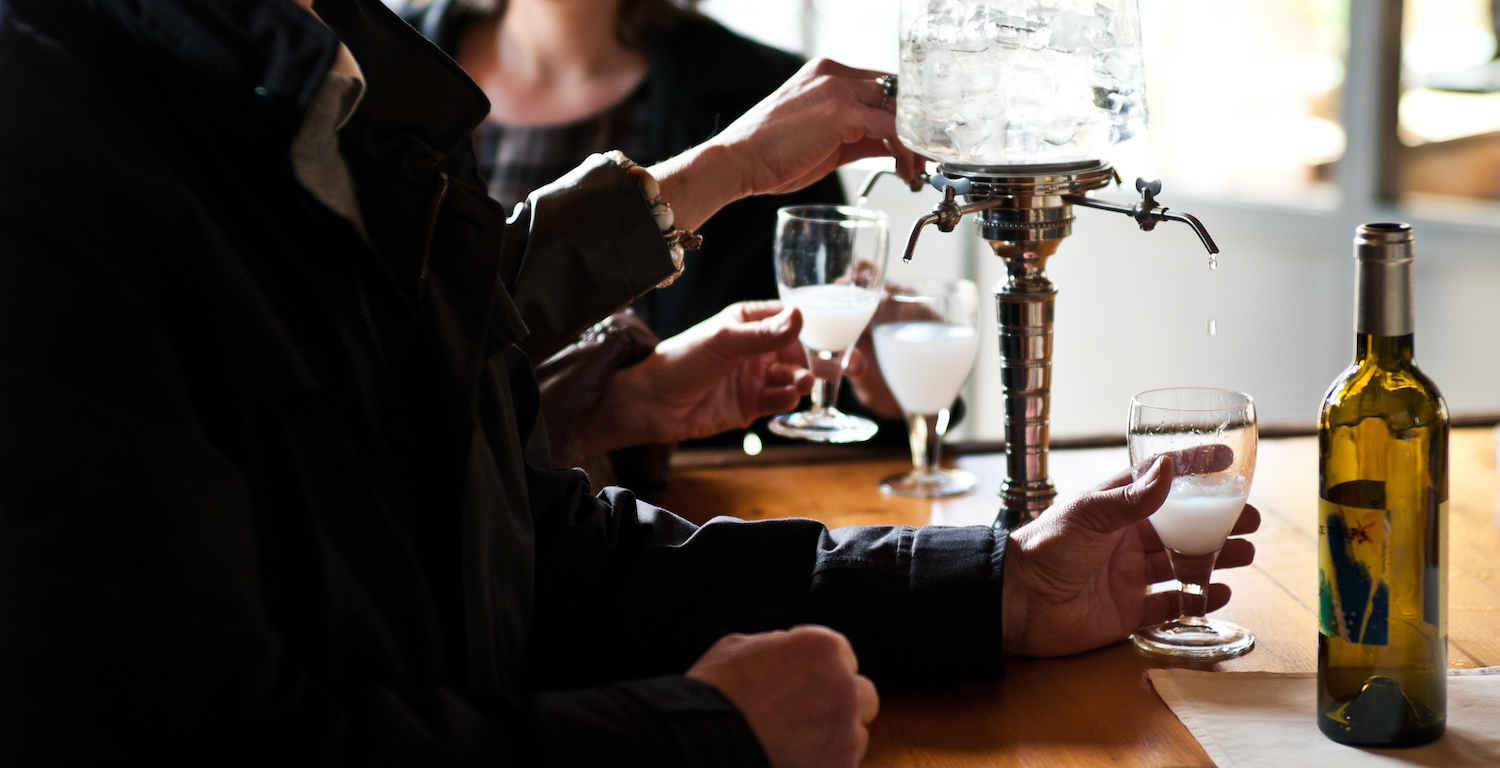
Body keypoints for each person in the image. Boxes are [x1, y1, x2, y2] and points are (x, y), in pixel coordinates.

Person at [0, 1, 1259, 766]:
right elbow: (178, 741)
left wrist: (996, 591)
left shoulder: (326, 88)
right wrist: (694, 742)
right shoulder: (64, 149)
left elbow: (540, 555)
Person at [405, 0, 905, 464]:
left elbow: (797, 409)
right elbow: (402, 378)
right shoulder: (372, 72)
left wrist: (883, 393)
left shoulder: (760, 91)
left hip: (671, 525)